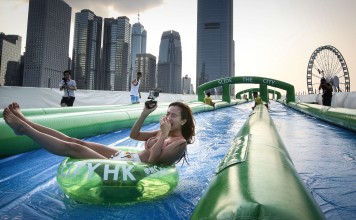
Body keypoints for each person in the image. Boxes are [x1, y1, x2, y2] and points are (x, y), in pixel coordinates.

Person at [2, 101, 195, 166]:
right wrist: (144, 113)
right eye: (167, 113)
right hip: (128, 157)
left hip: (132, 167)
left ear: (184, 121)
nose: (168, 117)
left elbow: (153, 162)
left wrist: (163, 134)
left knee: (74, 148)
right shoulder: (165, 132)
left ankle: (24, 129)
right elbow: (134, 135)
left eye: (174, 115)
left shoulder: (179, 143)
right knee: (76, 140)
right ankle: (27, 122)